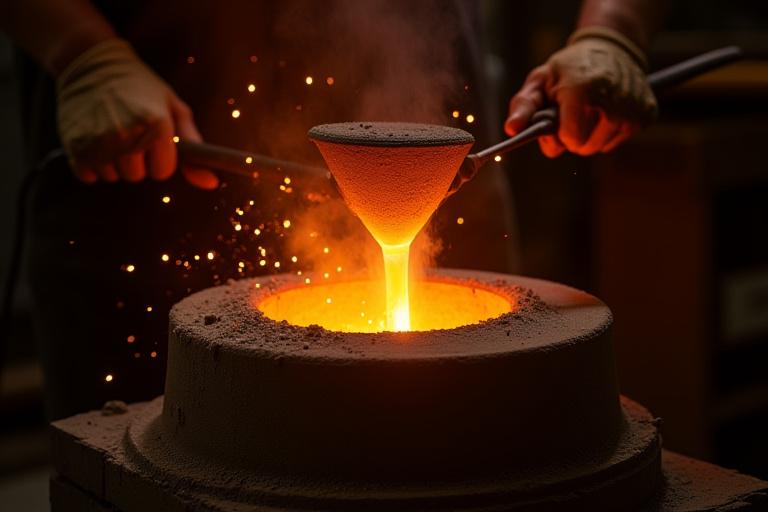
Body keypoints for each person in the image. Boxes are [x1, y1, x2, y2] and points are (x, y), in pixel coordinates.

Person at [1, 0, 660, 419]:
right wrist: (83, 52)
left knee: (468, 426)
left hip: (444, 140)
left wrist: (612, 30)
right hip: (147, 140)